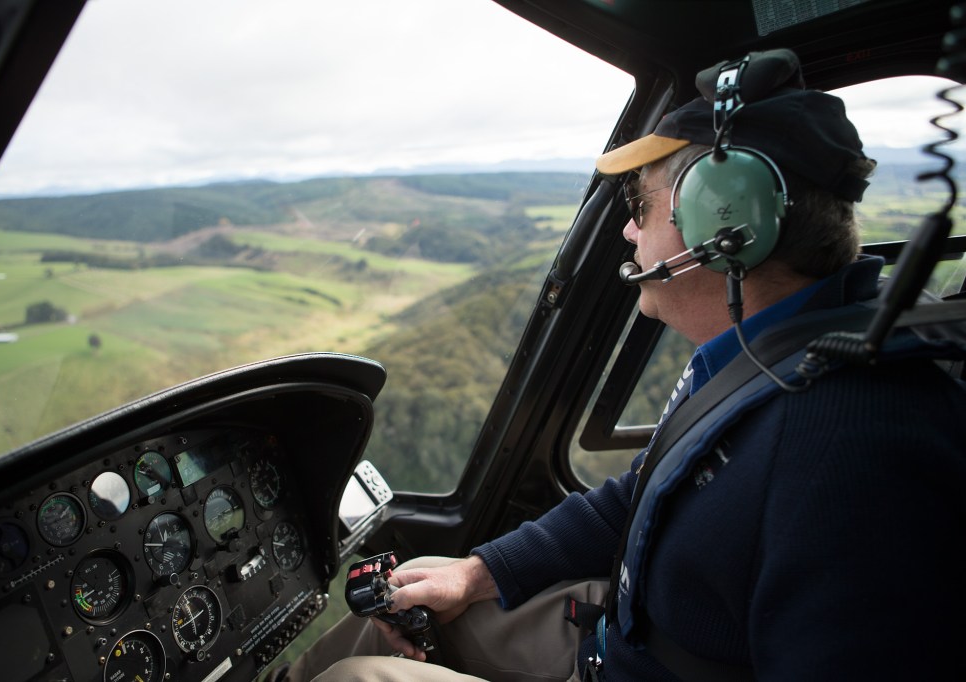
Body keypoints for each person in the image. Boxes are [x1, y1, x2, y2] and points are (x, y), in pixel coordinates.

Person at [284, 49, 966, 681]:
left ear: (726, 227)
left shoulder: (850, 449)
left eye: (639, 205)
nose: (627, 230)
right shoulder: (772, 354)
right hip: (629, 638)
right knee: (407, 605)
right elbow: (650, 491)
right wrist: (481, 571)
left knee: (356, 679)